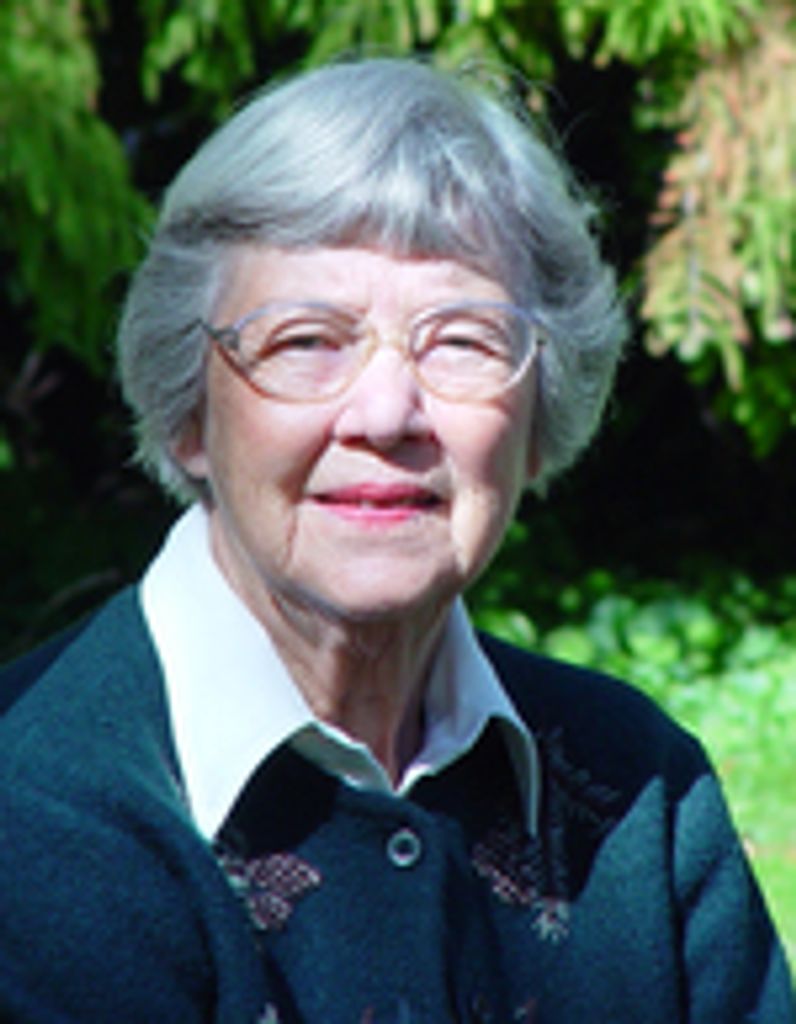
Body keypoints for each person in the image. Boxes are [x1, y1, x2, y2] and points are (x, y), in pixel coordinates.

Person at [0, 57, 792, 1024]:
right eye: (304, 341)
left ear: (536, 424)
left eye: (462, 340)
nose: (385, 413)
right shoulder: (30, 813)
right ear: (188, 415)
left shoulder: (640, 791)